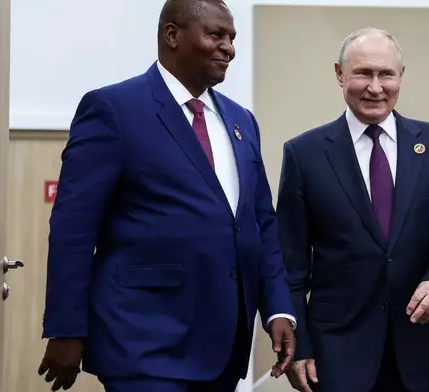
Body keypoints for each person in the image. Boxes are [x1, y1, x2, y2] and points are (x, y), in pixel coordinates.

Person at [37, 1, 296, 391]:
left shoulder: (241, 120)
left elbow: (261, 223)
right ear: (172, 35)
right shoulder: (114, 108)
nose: (229, 48)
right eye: (215, 35)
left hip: (222, 347)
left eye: (232, 38)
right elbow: (74, 229)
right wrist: (66, 328)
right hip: (143, 342)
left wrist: (278, 308)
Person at [276, 28, 429, 392]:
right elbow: (290, 263)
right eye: (362, 73)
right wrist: (300, 344)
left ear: (401, 75)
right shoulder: (304, 154)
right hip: (336, 355)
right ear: (340, 75)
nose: (375, 87)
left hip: (420, 346)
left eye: (386, 74)